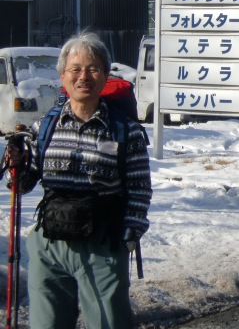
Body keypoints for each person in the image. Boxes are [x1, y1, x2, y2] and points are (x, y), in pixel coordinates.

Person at [4, 30, 152, 329]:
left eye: (93, 68)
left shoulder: (125, 131)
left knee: (108, 324)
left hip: (102, 241)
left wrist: (127, 238)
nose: (83, 76)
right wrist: (16, 165)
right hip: (50, 242)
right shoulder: (44, 127)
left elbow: (139, 189)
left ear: (105, 75)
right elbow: (22, 185)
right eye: (75, 69)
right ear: (63, 76)